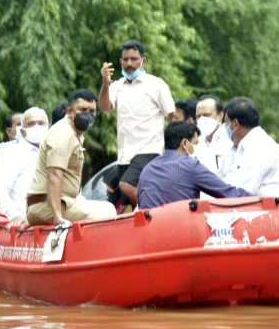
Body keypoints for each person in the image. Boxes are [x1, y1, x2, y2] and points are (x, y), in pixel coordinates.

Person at [98, 40, 175, 208]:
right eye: (125, 59)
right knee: (130, 201)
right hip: (125, 154)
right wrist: (105, 83)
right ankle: (148, 222)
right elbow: (104, 107)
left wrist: (174, 149)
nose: (129, 63)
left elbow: (172, 115)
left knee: (126, 185)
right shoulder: (117, 86)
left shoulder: (156, 84)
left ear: (143, 61)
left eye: (134, 59)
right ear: (120, 62)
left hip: (150, 150)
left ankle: (154, 214)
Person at [27, 90, 116, 225]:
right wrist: (57, 217)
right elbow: (54, 174)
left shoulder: (75, 134)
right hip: (48, 207)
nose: (88, 114)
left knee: (108, 207)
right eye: (83, 109)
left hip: (62, 203)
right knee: (108, 212)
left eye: (92, 111)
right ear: (69, 111)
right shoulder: (63, 133)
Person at [137, 122, 252, 209]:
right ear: (185, 143)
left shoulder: (147, 168)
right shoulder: (189, 166)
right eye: (196, 143)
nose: (197, 148)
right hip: (180, 234)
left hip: (148, 234)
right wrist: (258, 198)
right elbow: (227, 193)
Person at [219, 97, 279, 201]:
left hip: (264, 212)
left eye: (226, 123)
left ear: (235, 124)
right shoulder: (236, 148)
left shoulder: (261, 147)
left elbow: (241, 191)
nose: (225, 127)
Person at [0, 107, 48, 226]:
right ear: (22, 131)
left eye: (41, 123)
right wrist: (15, 215)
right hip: (24, 224)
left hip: (50, 221)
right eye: (31, 124)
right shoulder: (12, 152)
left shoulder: (54, 152)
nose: (36, 127)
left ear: (49, 127)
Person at [194, 95, 232, 175]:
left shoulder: (230, 140)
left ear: (220, 115)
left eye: (206, 115)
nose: (201, 119)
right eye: (198, 116)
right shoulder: (196, 142)